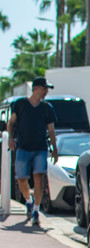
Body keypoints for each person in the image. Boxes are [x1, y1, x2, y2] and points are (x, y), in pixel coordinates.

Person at [7, 77, 58, 226]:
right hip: (23, 147)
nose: (46, 91)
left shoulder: (47, 108)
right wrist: (10, 138)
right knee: (21, 179)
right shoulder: (21, 104)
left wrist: (55, 149)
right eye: (44, 88)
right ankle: (29, 202)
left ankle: (36, 210)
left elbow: (51, 129)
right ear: (36, 88)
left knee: (39, 178)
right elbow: (11, 122)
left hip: (40, 149)